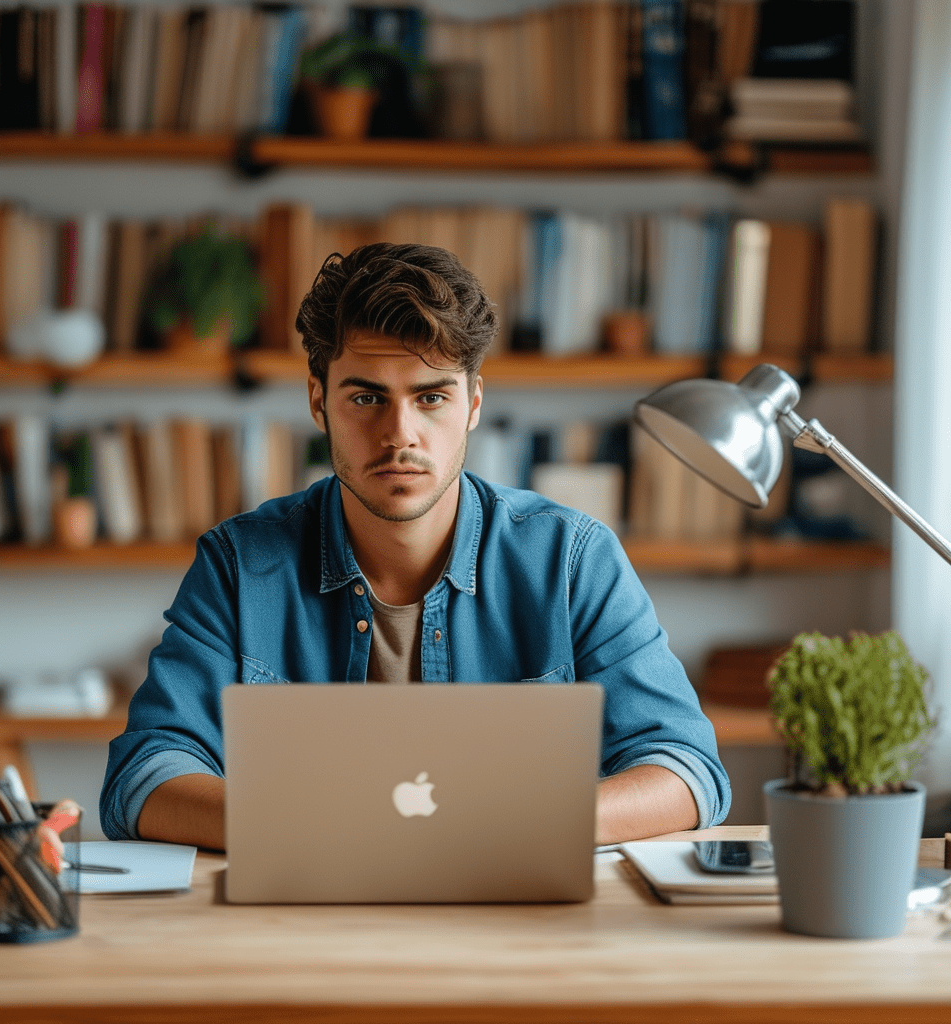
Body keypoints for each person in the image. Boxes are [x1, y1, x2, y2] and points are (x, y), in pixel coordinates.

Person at [99, 242, 730, 850]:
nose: (399, 434)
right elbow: (145, 776)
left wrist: (513, 825)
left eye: (430, 397)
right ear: (319, 401)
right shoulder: (241, 564)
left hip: (517, 924)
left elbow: (685, 769)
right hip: (309, 924)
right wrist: (325, 830)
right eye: (367, 397)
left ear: (473, 403)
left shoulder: (572, 558)